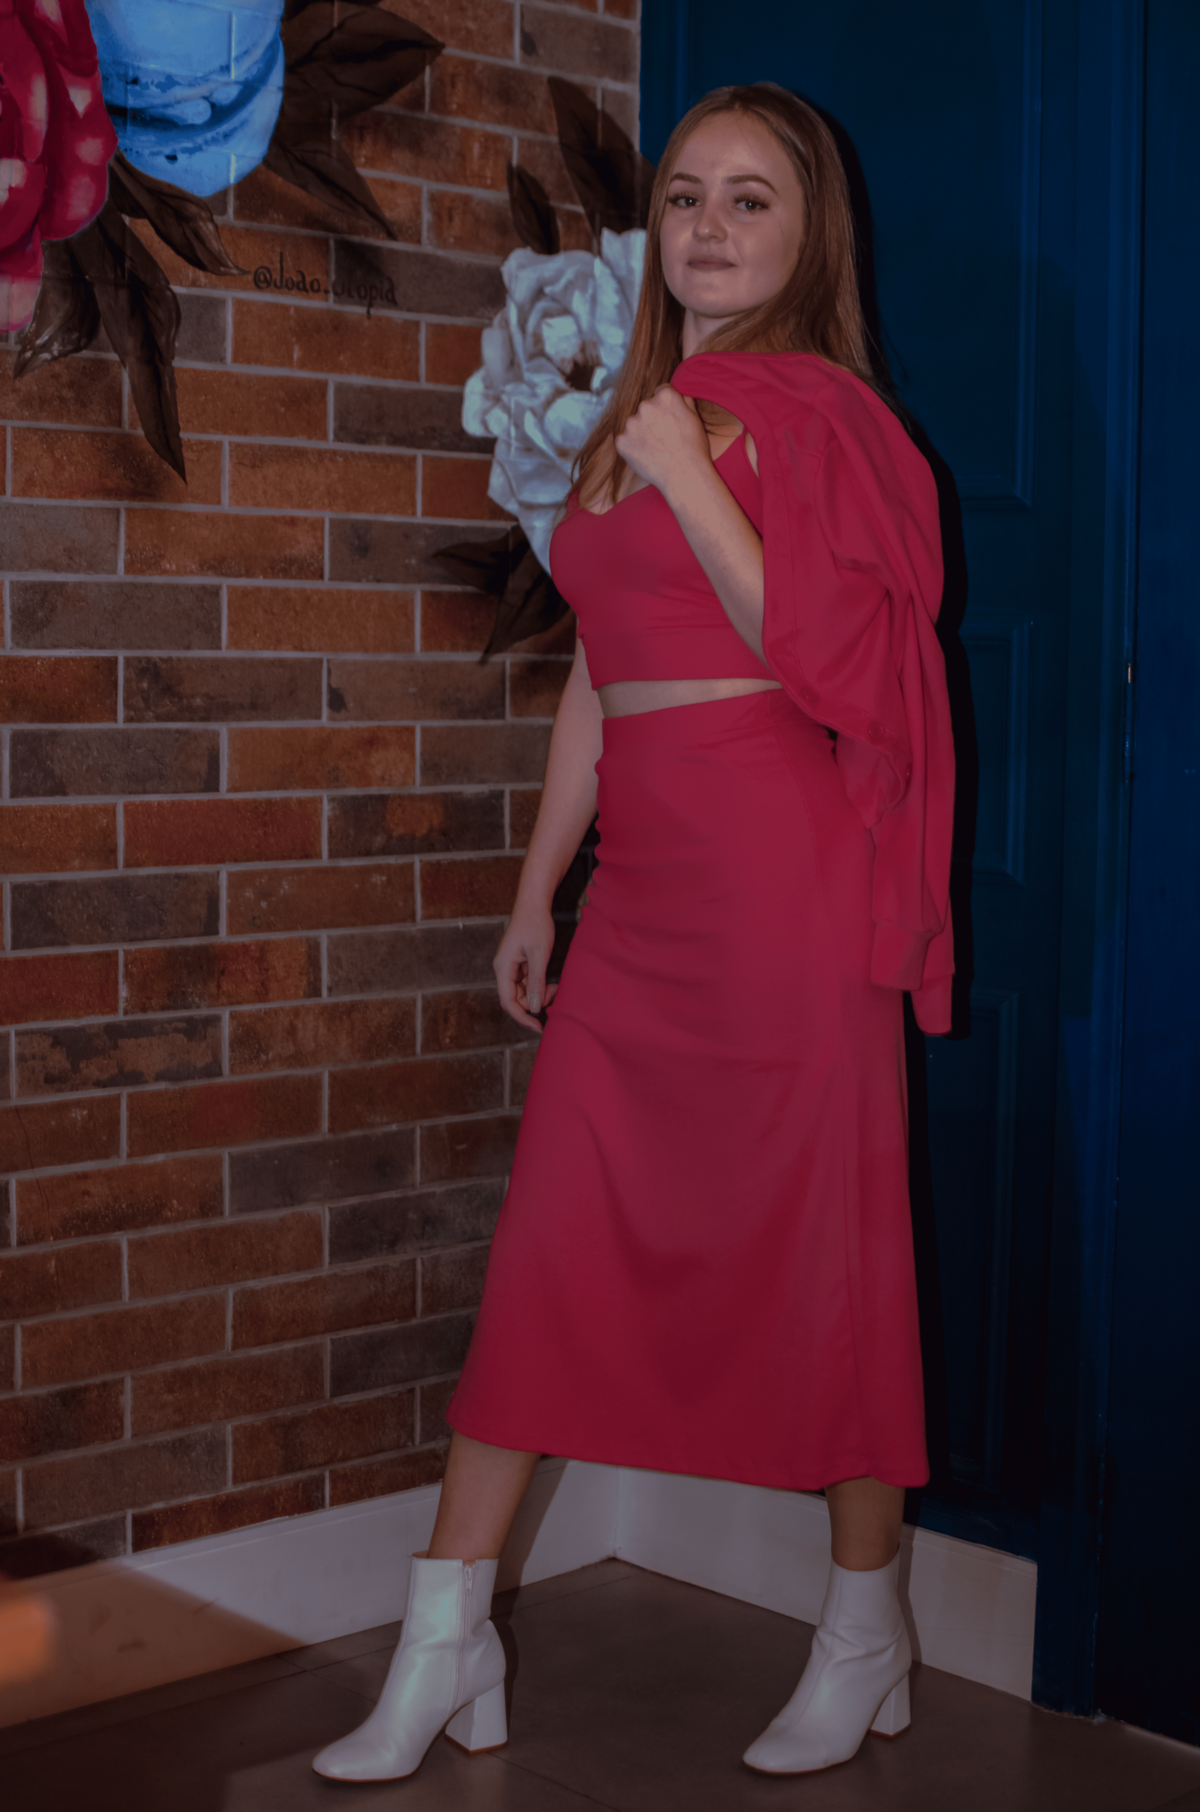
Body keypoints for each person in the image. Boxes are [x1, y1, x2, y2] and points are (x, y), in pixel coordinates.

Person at [313, 81, 954, 1785]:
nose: (711, 228)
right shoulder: (631, 417)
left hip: (787, 887)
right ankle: (445, 1642)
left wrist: (690, 473)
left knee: (829, 1257)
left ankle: (865, 1630)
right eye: (686, 196)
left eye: (752, 199)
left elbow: (842, 666)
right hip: (646, 894)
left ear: (811, 234)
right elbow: (602, 669)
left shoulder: (831, 420)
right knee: (549, 1254)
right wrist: (542, 890)